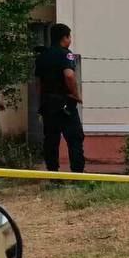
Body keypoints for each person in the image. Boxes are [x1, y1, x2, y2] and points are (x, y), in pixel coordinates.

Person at [35, 23, 84, 173]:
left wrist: (42, 100)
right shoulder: (66, 54)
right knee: (74, 138)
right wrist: (76, 94)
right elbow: (69, 75)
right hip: (65, 103)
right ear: (64, 38)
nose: (70, 40)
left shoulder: (42, 56)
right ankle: (77, 173)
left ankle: (53, 173)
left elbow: (39, 83)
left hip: (48, 103)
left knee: (51, 139)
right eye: (69, 37)